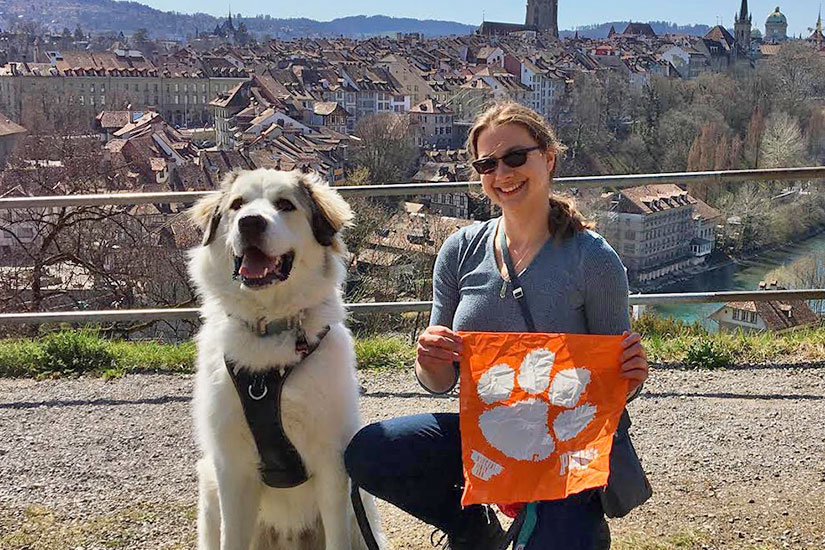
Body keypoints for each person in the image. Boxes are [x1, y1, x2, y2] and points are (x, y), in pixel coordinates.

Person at [345, 102, 650, 550]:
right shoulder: (460, 250)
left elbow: (614, 387)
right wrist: (429, 359)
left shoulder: (593, 259)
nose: (502, 173)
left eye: (514, 157)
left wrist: (632, 375)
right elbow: (439, 382)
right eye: (487, 163)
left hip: (564, 444)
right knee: (369, 452)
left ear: (548, 158)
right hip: (486, 434)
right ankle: (472, 529)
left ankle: (567, 519)